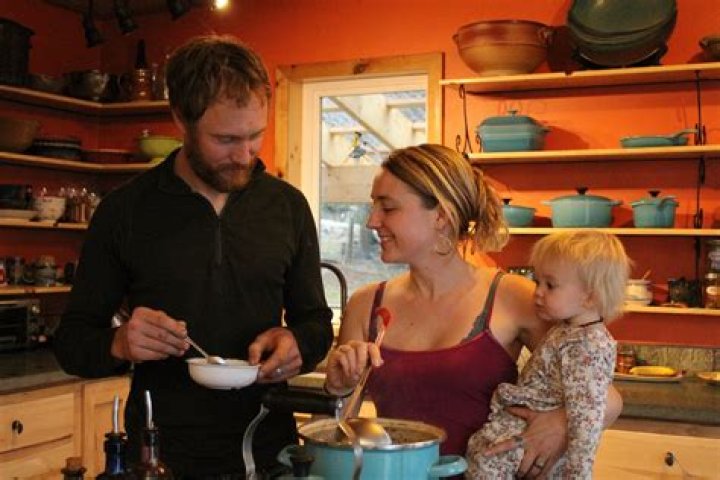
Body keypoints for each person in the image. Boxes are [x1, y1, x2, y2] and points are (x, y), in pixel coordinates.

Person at [53, 36, 334, 477]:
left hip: (266, 450)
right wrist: (120, 343)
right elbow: (72, 342)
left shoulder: (287, 206)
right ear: (180, 118)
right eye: (225, 139)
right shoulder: (125, 211)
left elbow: (315, 323)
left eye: (255, 136)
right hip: (158, 455)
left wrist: (297, 344)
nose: (244, 155)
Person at [323, 144, 622, 478]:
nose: (371, 221)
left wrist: (559, 425)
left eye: (388, 207)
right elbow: (335, 437)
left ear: (441, 215)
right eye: (373, 206)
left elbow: (607, 399)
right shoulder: (366, 305)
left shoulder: (514, 297)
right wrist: (338, 388)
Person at [465, 231, 629, 479]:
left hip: (529, 440)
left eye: (550, 285)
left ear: (590, 296)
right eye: (537, 280)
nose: (537, 291)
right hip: (525, 428)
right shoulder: (568, 330)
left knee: (485, 465)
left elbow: (586, 422)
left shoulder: (587, 346)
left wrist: (577, 475)